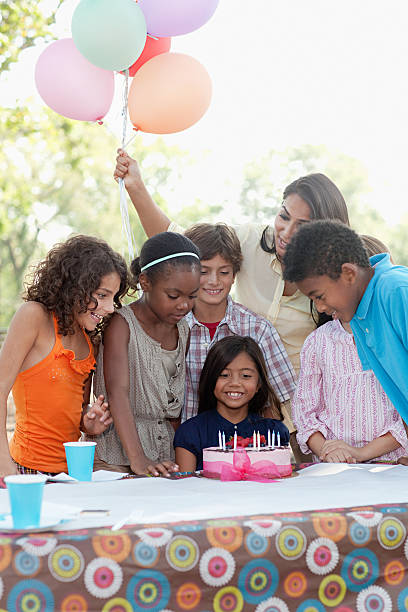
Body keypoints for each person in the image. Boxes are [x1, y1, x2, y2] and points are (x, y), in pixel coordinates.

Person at [113, 149, 350, 460]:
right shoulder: (248, 242)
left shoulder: (331, 283)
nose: (287, 232)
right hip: (203, 434)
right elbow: (182, 250)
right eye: (284, 216)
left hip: (300, 419)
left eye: (302, 226)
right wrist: (136, 187)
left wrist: (306, 444)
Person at [0, 235, 129, 477]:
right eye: (102, 295)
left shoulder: (90, 341)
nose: (111, 308)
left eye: (113, 298)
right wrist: (3, 464)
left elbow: (77, 410)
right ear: (75, 286)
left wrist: (89, 421)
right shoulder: (34, 317)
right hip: (25, 470)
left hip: (71, 475)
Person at [90, 232, 201, 477]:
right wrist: (138, 459)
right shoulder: (121, 324)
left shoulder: (184, 329)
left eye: (192, 296)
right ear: (145, 282)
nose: (184, 305)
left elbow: (173, 407)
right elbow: (118, 392)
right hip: (116, 460)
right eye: (173, 296)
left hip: (164, 460)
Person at [292, 234, 408, 463]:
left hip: (392, 464)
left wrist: (363, 453)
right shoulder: (328, 339)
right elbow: (305, 413)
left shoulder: (395, 290)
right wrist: (331, 451)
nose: (321, 308)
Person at [181, 222, 296, 422]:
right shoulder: (173, 328)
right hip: (182, 447)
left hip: (242, 447)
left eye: (223, 272)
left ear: (234, 275)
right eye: (203, 271)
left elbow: (281, 399)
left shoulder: (258, 330)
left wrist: (252, 440)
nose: (214, 281)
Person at [174, 336, 290, 471]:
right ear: (211, 378)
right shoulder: (192, 432)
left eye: (246, 375)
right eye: (224, 375)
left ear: (259, 384)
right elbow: (186, 487)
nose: (235, 383)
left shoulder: (274, 432)